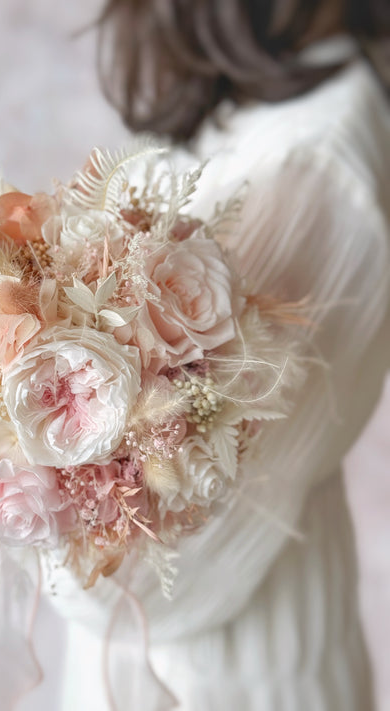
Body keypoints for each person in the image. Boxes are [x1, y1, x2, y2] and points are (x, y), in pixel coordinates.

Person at [46, 2, 390, 709]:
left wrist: (19, 474)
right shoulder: (245, 100)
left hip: (224, 678)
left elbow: (140, 576)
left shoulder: (311, 163)